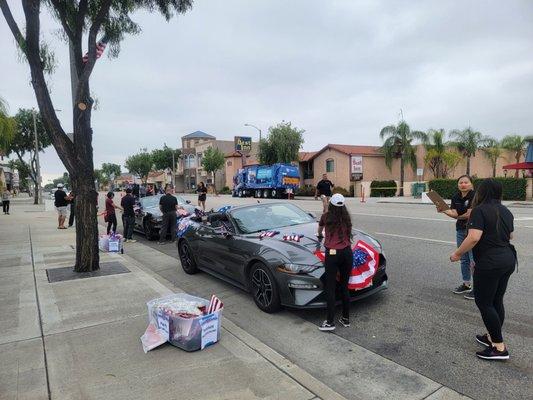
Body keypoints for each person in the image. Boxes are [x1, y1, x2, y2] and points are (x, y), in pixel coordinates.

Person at [450, 179, 516, 360]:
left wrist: (457, 254)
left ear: (482, 192)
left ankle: (499, 348)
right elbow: (510, 235)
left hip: (490, 262)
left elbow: (473, 238)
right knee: (496, 300)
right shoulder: (506, 210)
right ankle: (491, 336)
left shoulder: (479, 210)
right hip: (508, 259)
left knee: (484, 303)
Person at [316, 193, 353, 332]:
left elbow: (319, 231)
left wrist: (320, 235)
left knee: (330, 287)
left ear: (331, 204)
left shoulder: (326, 217)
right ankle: (345, 318)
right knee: (344, 286)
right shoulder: (347, 218)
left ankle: (330, 321)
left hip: (332, 253)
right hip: (347, 253)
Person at [437, 175, 475, 298]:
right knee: (463, 258)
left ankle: (478, 288)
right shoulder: (456, 197)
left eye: (466, 182)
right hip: (460, 229)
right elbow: (454, 212)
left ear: (471, 184)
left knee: (473, 259)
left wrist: (452, 214)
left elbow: (469, 214)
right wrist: (444, 210)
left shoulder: (475, 196)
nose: (463, 184)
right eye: (460, 182)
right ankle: (466, 284)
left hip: (472, 230)